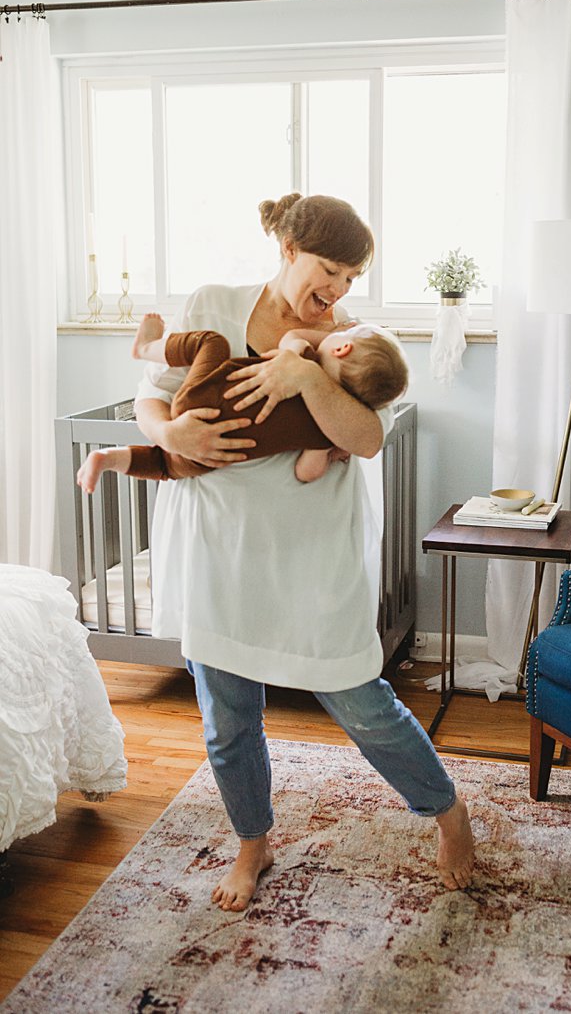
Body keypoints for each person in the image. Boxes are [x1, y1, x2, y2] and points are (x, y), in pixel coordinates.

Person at [135, 192, 475, 912]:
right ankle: (253, 840)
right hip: (222, 544)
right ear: (289, 249)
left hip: (316, 554)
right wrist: (170, 438)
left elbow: (366, 438)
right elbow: (151, 395)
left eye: (351, 277)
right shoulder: (216, 304)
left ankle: (448, 812)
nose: (339, 290)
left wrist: (308, 377)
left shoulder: (352, 339)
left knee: (363, 704)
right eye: (331, 270)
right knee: (227, 720)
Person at [78, 313, 408, 492]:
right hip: (213, 451)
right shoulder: (326, 429)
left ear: (342, 348)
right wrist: (331, 453)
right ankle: (110, 459)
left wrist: (294, 355)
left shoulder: (303, 355)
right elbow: (307, 472)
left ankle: (147, 347)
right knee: (168, 466)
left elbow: (292, 337)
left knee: (210, 342)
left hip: (201, 395)